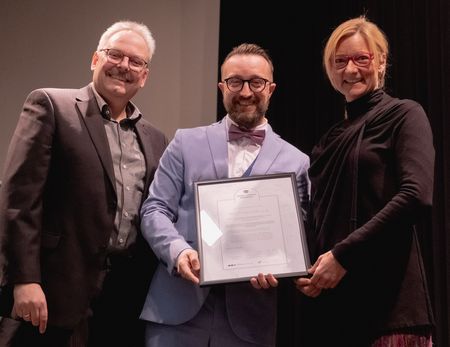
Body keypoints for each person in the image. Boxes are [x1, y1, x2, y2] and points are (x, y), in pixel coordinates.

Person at [0, 20, 168, 347]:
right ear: (95, 59)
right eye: (115, 55)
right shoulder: (51, 106)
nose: (124, 66)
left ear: (144, 76)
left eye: (136, 62)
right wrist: (25, 280)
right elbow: (19, 201)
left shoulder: (156, 138)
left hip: (123, 297)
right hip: (51, 293)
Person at [139, 43, 310, 347]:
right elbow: (154, 210)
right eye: (235, 82)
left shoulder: (296, 161)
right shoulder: (185, 142)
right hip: (177, 312)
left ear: (271, 88)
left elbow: (297, 236)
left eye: (256, 82)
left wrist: (279, 267)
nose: (245, 92)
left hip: (249, 322)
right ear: (222, 87)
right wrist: (177, 251)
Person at [295, 16, 435, 346]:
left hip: (390, 307)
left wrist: (342, 256)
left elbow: (416, 196)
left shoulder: (404, 115)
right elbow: (320, 217)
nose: (350, 70)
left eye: (362, 58)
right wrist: (306, 269)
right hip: (336, 309)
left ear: (382, 61)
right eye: (339, 61)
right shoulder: (329, 139)